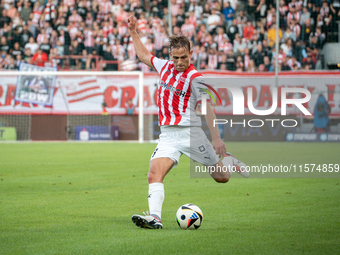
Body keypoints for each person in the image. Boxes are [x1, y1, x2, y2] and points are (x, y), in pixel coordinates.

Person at [126, 15, 249, 230]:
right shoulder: (164, 67)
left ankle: (229, 161)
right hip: (168, 135)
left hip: (191, 134)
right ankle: (155, 217)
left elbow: (207, 107)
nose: (180, 62)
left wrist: (217, 138)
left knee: (222, 177)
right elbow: (144, 54)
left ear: (191, 54)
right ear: (171, 56)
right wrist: (133, 32)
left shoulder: (196, 78)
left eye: (184, 57)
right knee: (154, 174)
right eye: (176, 58)